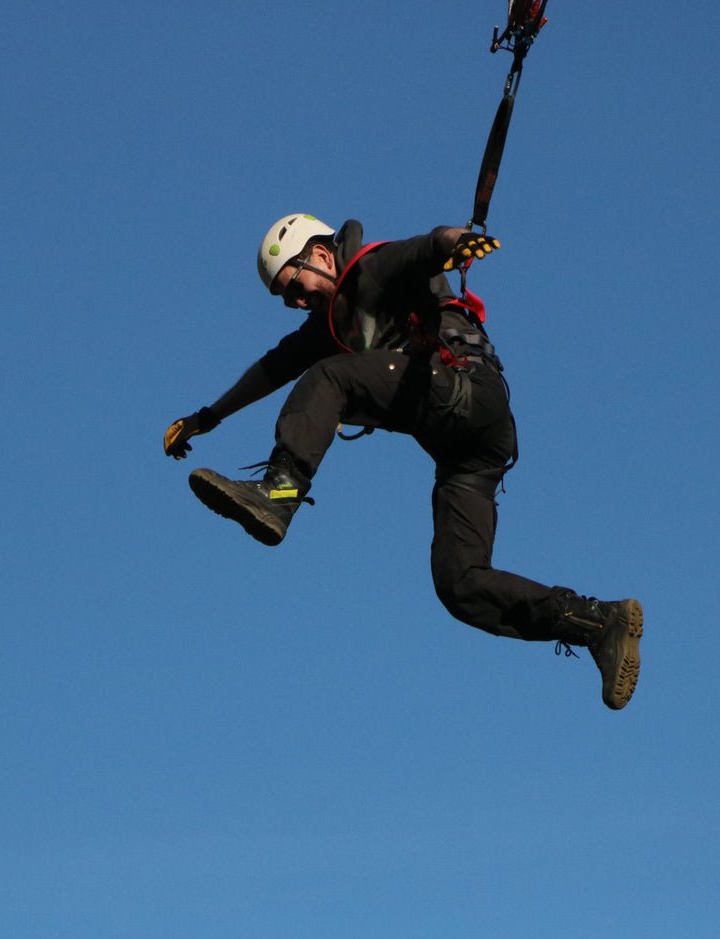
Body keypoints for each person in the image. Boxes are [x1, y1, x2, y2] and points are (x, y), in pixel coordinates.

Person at [163, 214, 644, 709]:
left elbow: (423, 249)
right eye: (287, 299)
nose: (298, 302)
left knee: (329, 379)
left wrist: (456, 244)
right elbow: (272, 368)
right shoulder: (330, 324)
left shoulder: (370, 270)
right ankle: (596, 623)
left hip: (465, 391)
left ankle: (279, 494)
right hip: (473, 450)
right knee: (459, 584)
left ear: (322, 254)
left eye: (297, 286)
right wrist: (207, 417)